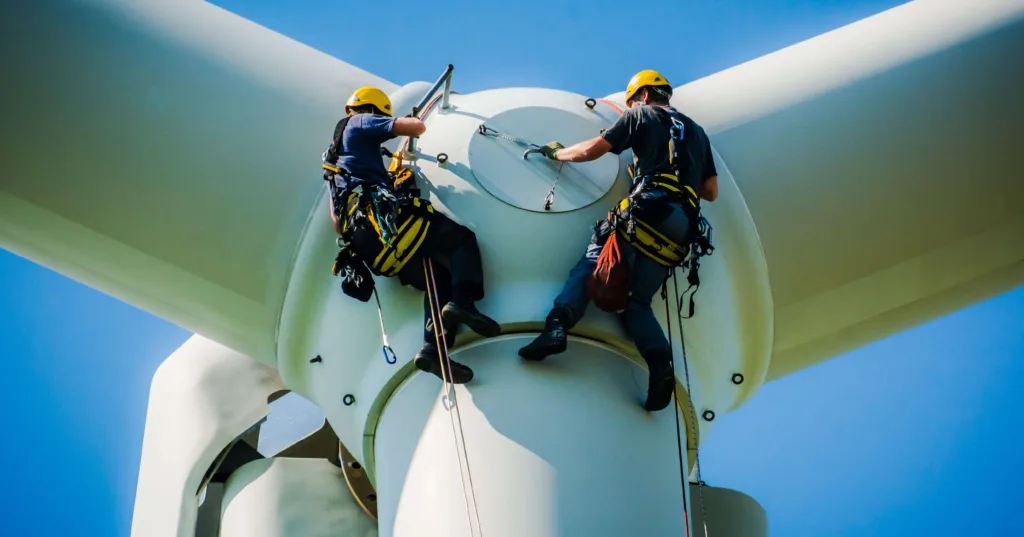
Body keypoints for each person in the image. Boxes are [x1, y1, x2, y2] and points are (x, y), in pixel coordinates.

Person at [517, 70, 719, 411]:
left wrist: (557, 154)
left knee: (592, 264)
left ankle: (557, 327)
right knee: (636, 303)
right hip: (681, 228)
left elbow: (593, 151)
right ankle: (660, 365)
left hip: (647, 209)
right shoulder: (697, 133)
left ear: (640, 96)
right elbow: (711, 192)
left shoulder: (639, 115)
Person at [323, 86, 501, 384]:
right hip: (387, 221)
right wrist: (404, 123)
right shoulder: (362, 121)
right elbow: (415, 127)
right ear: (374, 109)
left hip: (368, 244)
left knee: (437, 279)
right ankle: (463, 302)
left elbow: (336, 223)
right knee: (461, 240)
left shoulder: (332, 159)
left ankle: (433, 351)